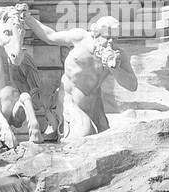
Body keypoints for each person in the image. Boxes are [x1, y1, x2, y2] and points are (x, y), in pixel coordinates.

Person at [23, 11, 137, 140]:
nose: (111, 42)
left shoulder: (118, 56)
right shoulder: (80, 38)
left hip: (95, 106)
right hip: (70, 101)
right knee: (84, 135)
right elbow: (50, 36)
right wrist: (28, 19)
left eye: (115, 39)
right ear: (96, 34)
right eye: (107, 37)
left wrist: (115, 69)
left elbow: (132, 85)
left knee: (104, 140)